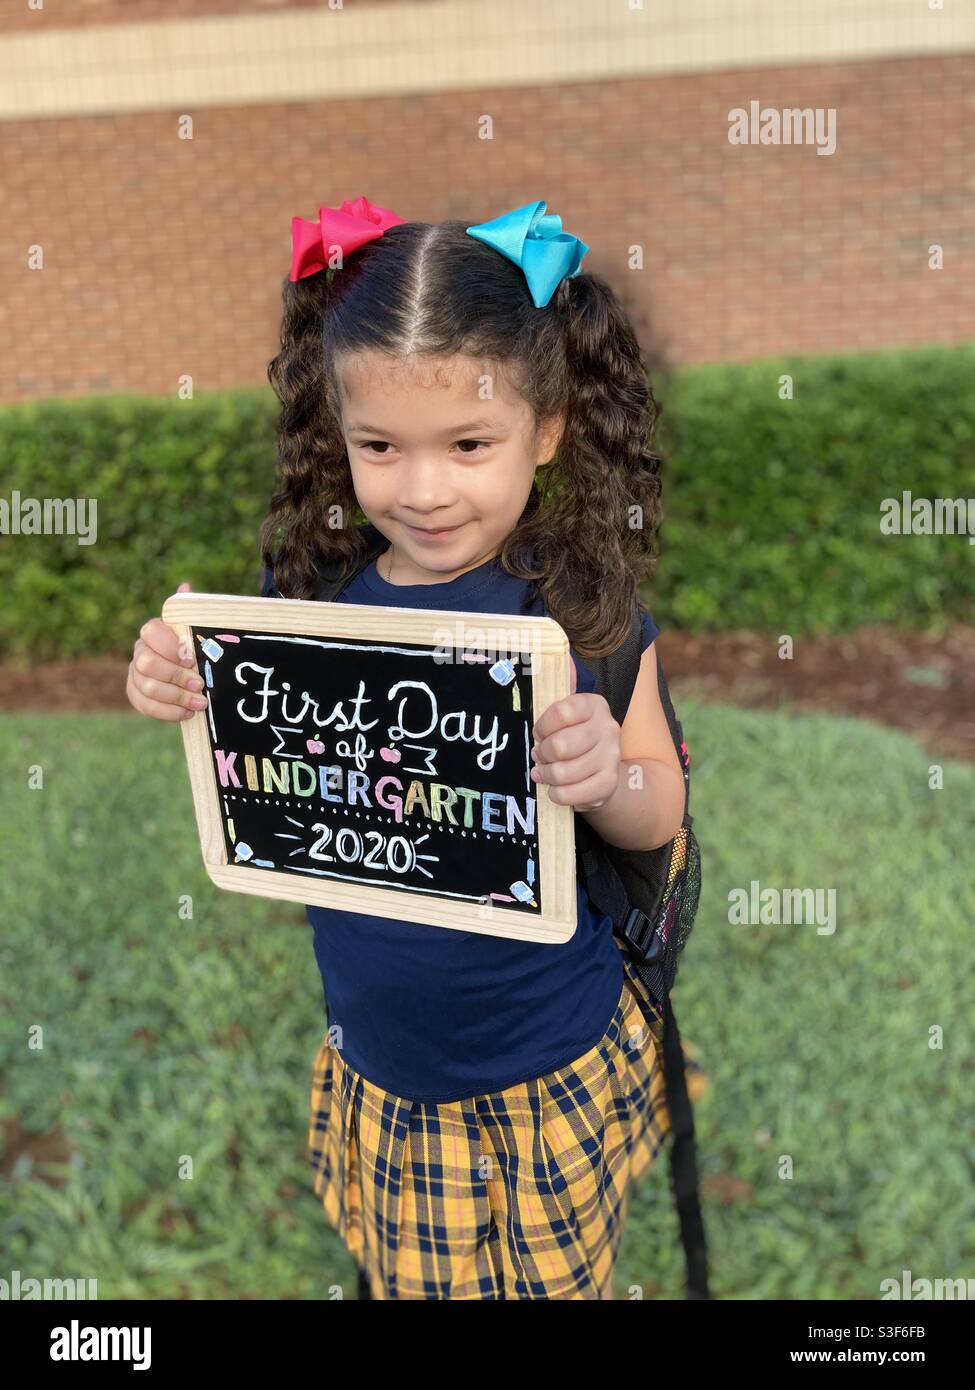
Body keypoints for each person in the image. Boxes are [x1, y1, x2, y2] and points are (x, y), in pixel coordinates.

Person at [126, 196, 708, 1300]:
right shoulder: (310, 600)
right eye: (379, 445)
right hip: (384, 1067)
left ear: (547, 429)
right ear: (335, 435)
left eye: (469, 443)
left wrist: (606, 775)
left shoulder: (581, 608)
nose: (422, 487)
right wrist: (177, 676)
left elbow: (661, 808)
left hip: (552, 1057)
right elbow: (258, 752)